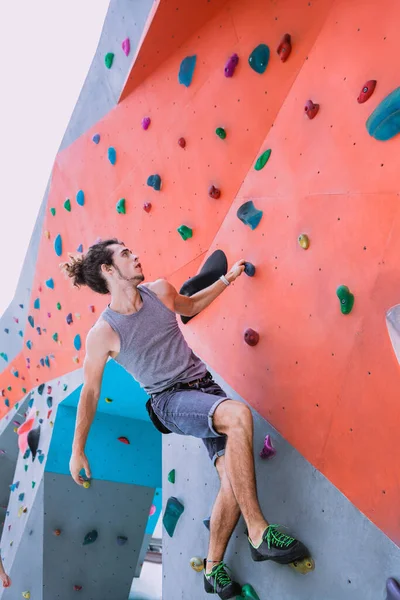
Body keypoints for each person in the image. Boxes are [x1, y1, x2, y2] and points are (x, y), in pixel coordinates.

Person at [61, 238, 311, 599]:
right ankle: (259, 533)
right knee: (238, 415)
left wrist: (227, 280)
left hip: (204, 388)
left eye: (133, 249)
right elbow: (90, 392)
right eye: (126, 254)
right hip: (169, 400)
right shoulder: (103, 333)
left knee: (233, 479)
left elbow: (190, 305)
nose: (136, 254)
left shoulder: (159, 290)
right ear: (108, 270)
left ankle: (212, 568)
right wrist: (77, 449)